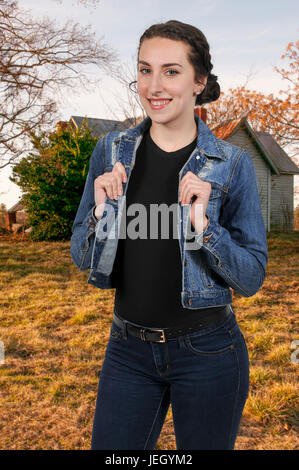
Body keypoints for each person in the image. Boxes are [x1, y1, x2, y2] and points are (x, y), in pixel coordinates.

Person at [70, 20, 268, 450]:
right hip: (127, 349)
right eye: (145, 70)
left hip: (209, 354)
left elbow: (251, 277)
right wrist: (101, 214)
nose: (154, 85)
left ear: (199, 82)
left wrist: (206, 228)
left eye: (171, 71)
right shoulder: (109, 151)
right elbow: (82, 258)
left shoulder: (231, 165)